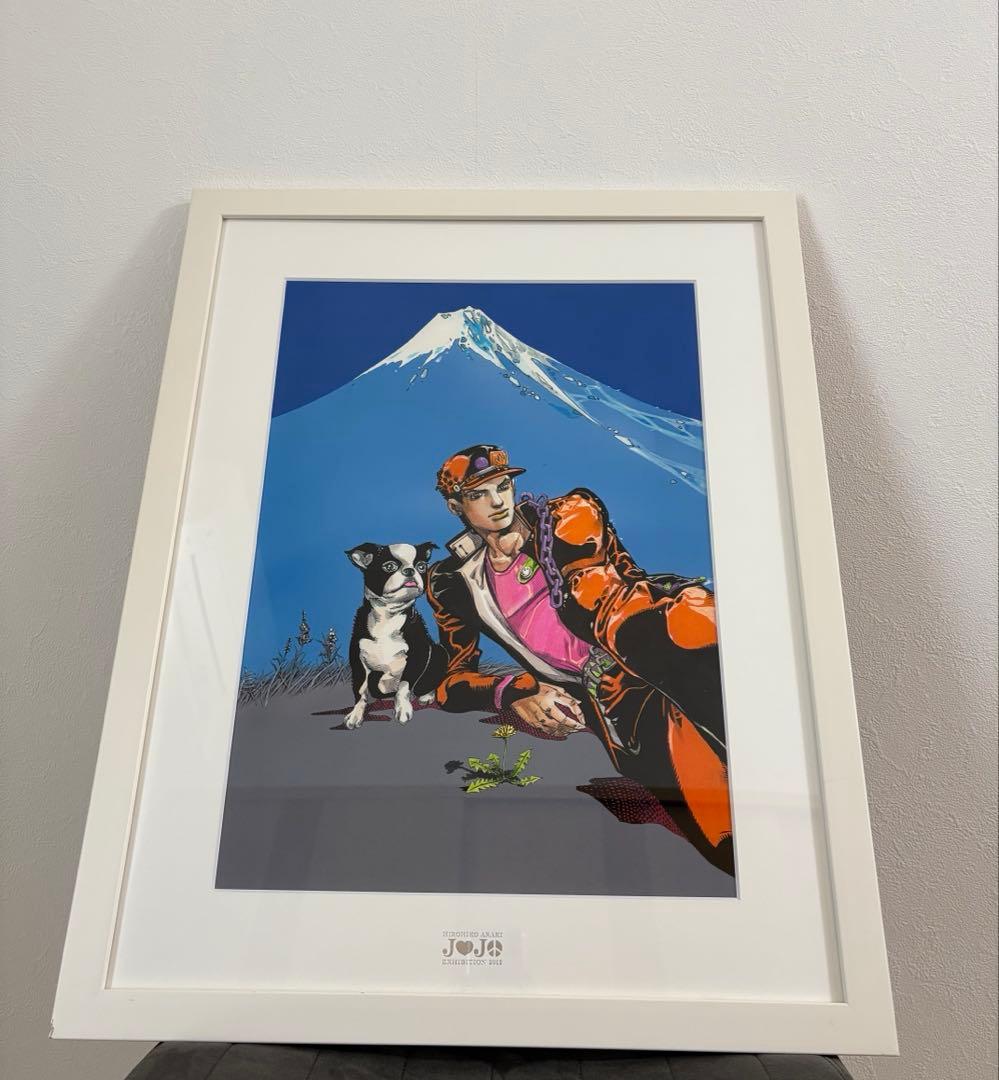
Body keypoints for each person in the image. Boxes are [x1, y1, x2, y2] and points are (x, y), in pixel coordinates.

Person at [425, 444, 734, 874]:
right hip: (617, 702)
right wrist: (516, 691)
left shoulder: (567, 517)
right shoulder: (453, 580)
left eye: (503, 486)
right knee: (725, 837)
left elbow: (597, 593)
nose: (497, 501)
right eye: (479, 494)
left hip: (658, 641)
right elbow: (452, 684)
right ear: (455, 506)